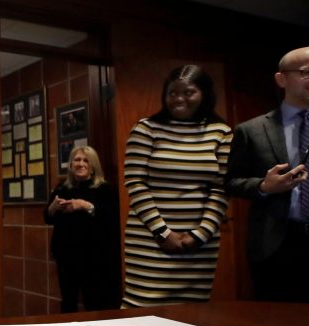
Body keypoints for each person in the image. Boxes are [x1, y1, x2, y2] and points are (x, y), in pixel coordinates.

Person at [226, 46, 309, 304]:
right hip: (278, 245)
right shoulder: (251, 130)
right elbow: (230, 182)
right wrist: (264, 186)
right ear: (281, 79)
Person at [123, 65, 232, 307]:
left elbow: (221, 188)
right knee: (142, 307)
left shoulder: (221, 133)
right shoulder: (146, 129)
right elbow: (135, 182)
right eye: (172, 93)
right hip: (149, 239)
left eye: (188, 92)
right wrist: (163, 232)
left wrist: (200, 235)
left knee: (192, 314)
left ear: (204, 94)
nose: (179, 99)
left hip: (199, 243)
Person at [44, 145, 120, 312]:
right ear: (71, 165)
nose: (80, 164)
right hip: (66, 256)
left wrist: (85, 205)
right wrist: (53, 207)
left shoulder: (104, 189)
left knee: (94, 301)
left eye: (86, 160)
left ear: (93, 166)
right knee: (68, 302)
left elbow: (111, 217)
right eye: (77, 160)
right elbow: (48, 218)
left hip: (94, 257)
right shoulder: (62, 188)